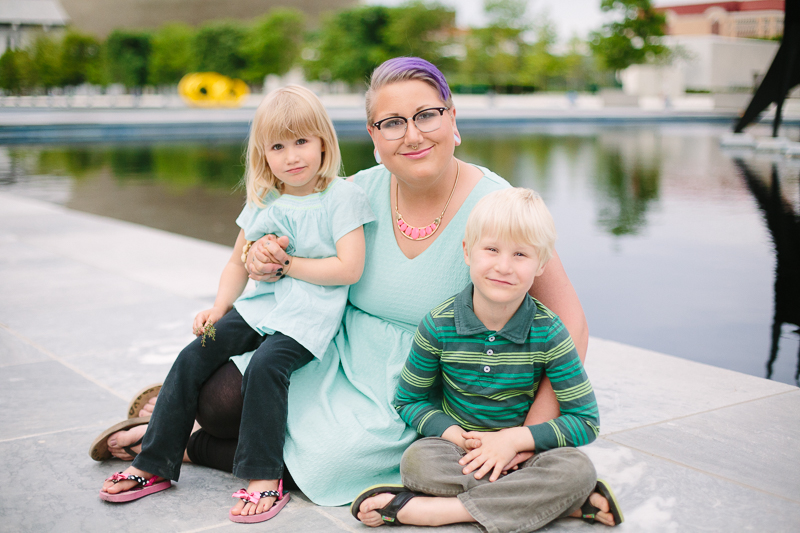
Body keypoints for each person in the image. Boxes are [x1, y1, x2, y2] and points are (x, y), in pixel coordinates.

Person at [101, 56, 595, 508]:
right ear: (373, 136)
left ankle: (188, 446)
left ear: (452, 120)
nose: (413, 135)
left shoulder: (497, 205)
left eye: (427, 115)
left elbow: (568, 320)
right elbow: (280, 236)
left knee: (333, 465)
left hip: (412, 378)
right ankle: (174, 417)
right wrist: (258, 255)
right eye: (392, 123)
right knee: (221, 400)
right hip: (329, 345)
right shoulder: (354, 192)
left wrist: (528, 434)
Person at [98, 85, 375, 524]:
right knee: (194, 356)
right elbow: (235, 263)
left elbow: (349, 268)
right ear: (264, 154)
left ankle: (265, 477)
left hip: (308, 317)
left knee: (267, 365)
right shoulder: (265, 199)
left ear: (324, 140)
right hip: (261, 305)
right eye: (278, 147)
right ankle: (153, 463)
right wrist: (219, 306)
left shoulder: (340, 198)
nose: (292, 156)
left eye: (302, 141)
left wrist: (286, 265)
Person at [351, 188, 623, 531]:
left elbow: (585, 421)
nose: (503, 266)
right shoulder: (438, 325)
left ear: (541, 263)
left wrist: (515, 441)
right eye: (491, 249)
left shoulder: (551, 333)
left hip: (527, 456)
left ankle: (436, 512)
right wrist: (456, 436)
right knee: (417, 462)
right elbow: (409, 400)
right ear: (468, 251)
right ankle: (561, 505)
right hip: (463, 453)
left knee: (576, 469)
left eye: (521, 254)